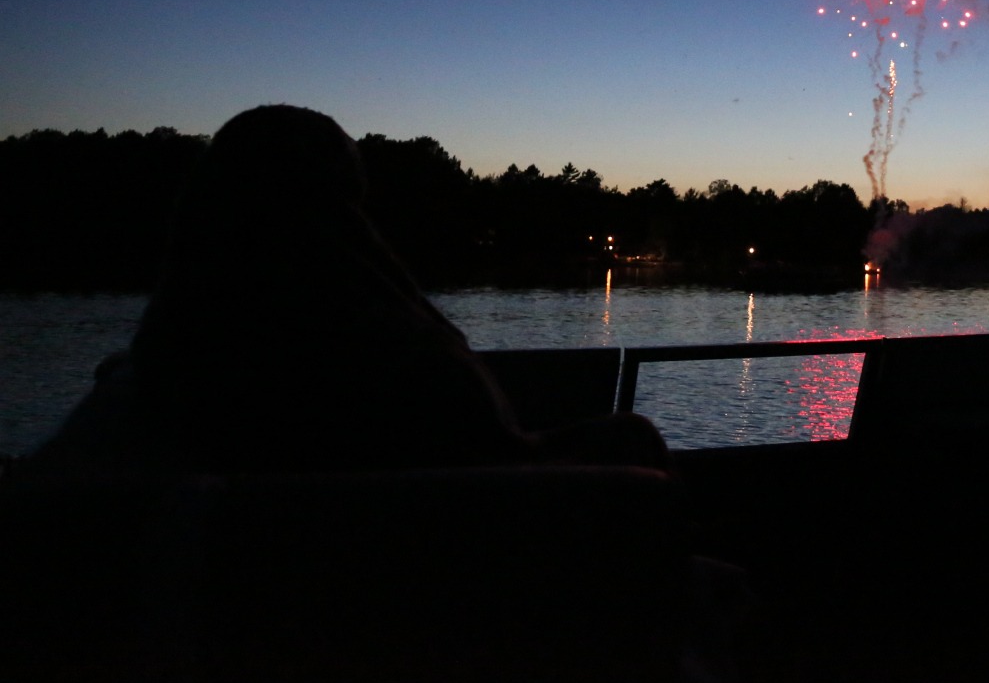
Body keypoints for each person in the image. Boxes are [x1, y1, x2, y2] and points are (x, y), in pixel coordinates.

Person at [25, 103, 670, 476]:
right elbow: (500, 457)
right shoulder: (411, 359)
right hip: (449, 584)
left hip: (235, 613)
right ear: (350, 211)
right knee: (630, 437)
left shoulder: (156, 383)